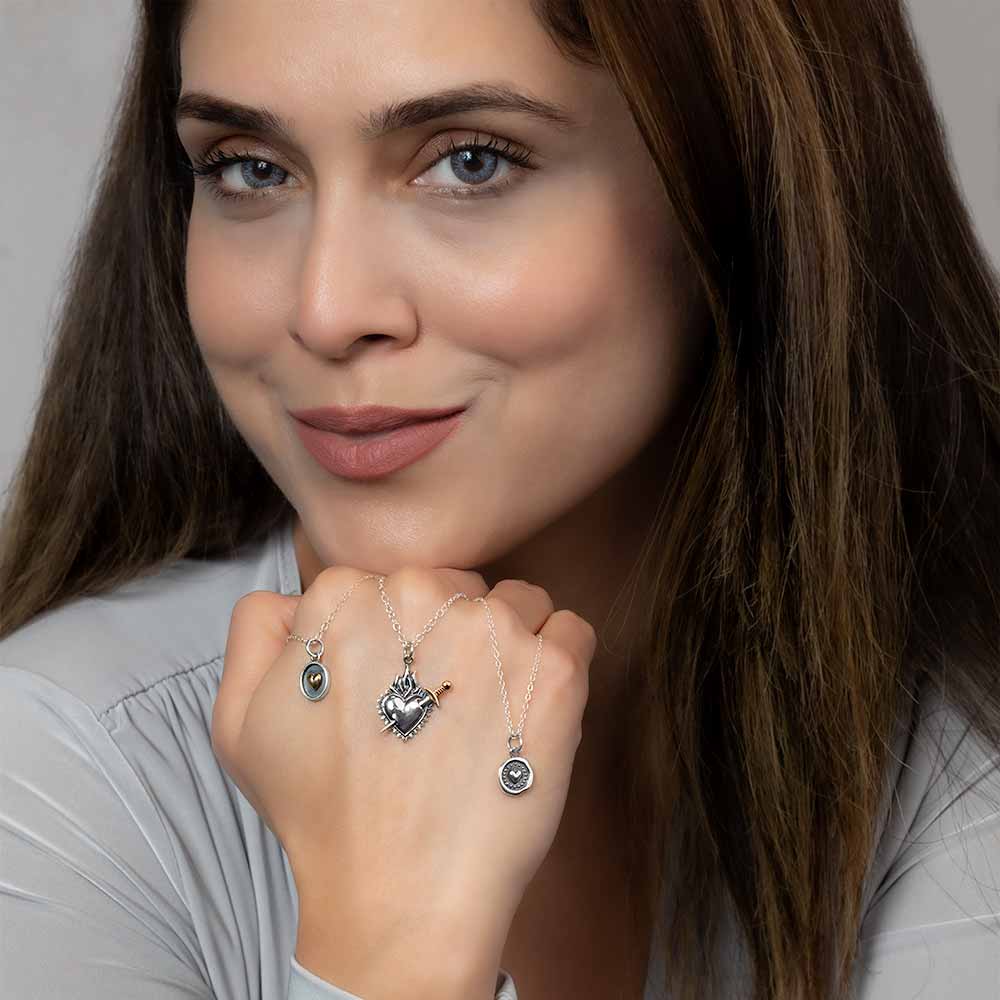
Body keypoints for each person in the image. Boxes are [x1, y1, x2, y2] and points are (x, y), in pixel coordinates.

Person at [1, 0, 998, 998]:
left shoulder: (950, 740)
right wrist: (389, 947)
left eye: (471, 161)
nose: (327, 309)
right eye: (251, 168)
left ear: (738, 185)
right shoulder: (59, 773)